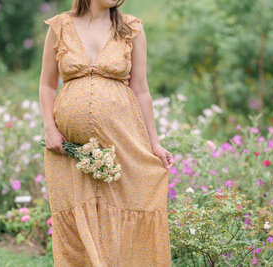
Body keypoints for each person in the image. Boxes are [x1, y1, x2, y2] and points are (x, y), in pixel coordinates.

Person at [38, 0, 174, 265]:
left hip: (122, 141)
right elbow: (46, 84)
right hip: (69, 149)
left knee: (127, 205)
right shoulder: (60, 26)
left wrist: (155, 143)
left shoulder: (131, 29)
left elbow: (141, 89)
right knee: (78, 218)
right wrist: (49, 128)